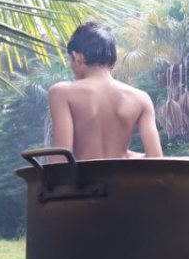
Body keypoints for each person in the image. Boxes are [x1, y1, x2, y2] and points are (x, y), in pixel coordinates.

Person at [48, 22, 163, 160]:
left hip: (85, 181)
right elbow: (155, 157)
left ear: (77, 56)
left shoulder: (61, 92)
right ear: (112, 60)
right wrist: (124, 155)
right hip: (126, 180)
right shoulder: (141, 98)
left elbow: (60, 159)